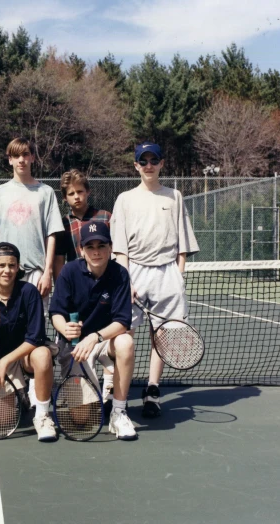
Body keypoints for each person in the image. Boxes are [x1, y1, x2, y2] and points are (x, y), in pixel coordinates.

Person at [110, 142, 199, 418]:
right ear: (136, 165)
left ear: (161, 164)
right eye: (143, 161)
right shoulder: (125, 199)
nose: (149, 165)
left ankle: (152, 390)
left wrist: (178, 276)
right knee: (124, 335)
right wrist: (126, 280)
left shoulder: (174, 196)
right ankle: (116, 391)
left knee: (161, 337)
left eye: (154, 160)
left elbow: (182, 244)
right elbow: (120, 246)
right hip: (133, 270)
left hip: (167, 274)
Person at [0, 137, 64, 406]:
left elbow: (52, 235)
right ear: (9, 159)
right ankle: (14, 385)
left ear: (33, 158)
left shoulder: (45, 193)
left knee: (36, 333)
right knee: (7, 330)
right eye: (16, 156)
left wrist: (46, 272)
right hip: (5, 276)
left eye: (26, 155)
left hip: (35, 273)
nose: (21, 160)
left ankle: (38, 390)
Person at [49, 221, 137, 440]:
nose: (96, 251)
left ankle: (118, 411)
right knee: (81, 419)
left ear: (110, 247)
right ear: (81, 250)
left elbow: (123, 322)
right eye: (90, 247)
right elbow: (56, 313)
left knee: (126, 342)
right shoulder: (69, 271)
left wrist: (95, 337)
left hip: (104, 340)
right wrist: (65, 329)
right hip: (75, 345)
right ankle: (97, 388)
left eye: (101, 246)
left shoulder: (120, 274)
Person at [0, 242, 57, 441]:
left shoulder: (29, 292)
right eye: (1, 265)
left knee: (43, 354)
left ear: (18, 267)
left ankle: (42, 415)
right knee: (3, 421)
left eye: (12, 265)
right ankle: (21, 396)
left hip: (26, 355)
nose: (7, 270)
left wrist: (5, 362)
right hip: (2, 360)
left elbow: (36, 338)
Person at [53, 169, 115, 410]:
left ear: (88, 191)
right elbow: (59, 260)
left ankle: (110, 381)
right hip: (75, 290)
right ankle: (71, 385)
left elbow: (115, 252)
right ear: (65, 198)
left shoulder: (105, 217)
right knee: (68, 341)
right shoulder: (62, 224)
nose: (76, 196)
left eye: (80, 191)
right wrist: (63, 290)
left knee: (115, 336)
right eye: (71, 193)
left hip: (102, 291)